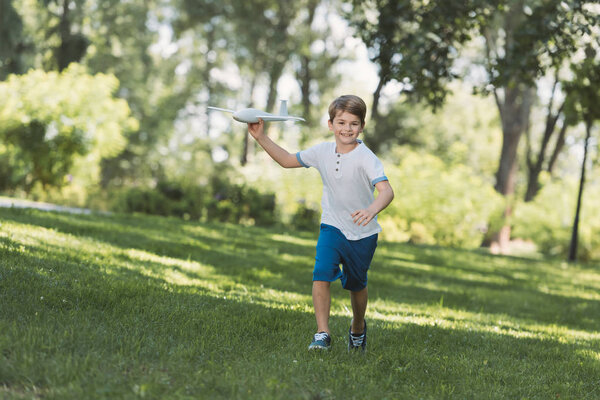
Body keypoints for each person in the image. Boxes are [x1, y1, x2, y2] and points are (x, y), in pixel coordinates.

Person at [247, 95, 394, 351]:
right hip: (332, 226)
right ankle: (322, 333)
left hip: (363, 233)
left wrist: (372, 209)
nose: (347, 128)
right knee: (321, 273)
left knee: (356, 284)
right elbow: (286, 160)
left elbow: (387, 191)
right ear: (330, 124)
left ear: (362, 126)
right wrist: (260, 137)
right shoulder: (321, 152)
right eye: (341, 122)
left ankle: (358, 326)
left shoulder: (366, 157)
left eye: (353, 123)